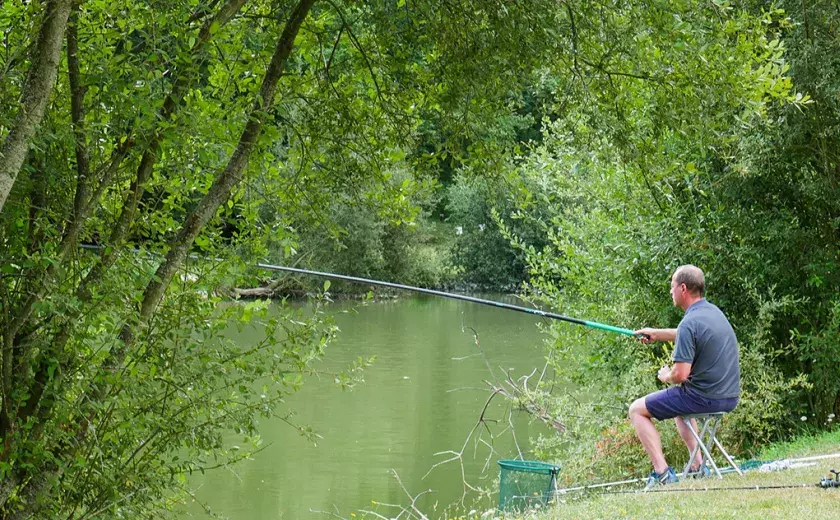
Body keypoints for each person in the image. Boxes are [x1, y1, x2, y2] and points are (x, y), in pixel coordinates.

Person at [629, 265, 740, 491]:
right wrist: (657, 334)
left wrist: (665, 376)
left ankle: (662, 473)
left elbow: (680, 375)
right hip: (729, 397)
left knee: (636, 410)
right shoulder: (713, 313)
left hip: (704, 398)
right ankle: (698, 466)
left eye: (672, 286)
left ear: (682, 288)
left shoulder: (689, 322)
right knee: (679, 406)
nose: (670, 291)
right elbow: (691, 333)